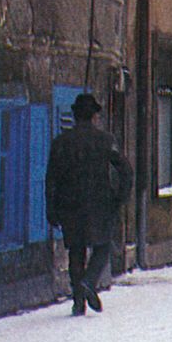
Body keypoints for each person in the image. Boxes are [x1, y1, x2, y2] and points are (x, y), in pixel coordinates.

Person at [45, 93, 133, 316]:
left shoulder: (61, 142)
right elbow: (125, 170)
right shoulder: (105, 140)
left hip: (69, 205)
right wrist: (120, 197)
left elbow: (51, 178)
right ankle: (89, 281)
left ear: (75, 116)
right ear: (94, 116)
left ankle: (78, 302)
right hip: (100, 204)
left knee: (76, 251)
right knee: (103, 246)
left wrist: (51, 209)